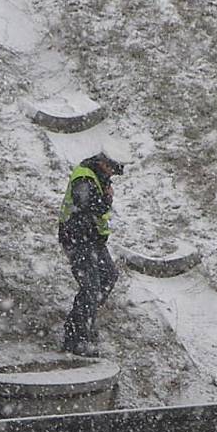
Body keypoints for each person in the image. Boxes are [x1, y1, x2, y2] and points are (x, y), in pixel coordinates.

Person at [58, 151, 125, 357]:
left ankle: (83, 322)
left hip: (92, 239)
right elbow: (89, 205)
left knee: (108, 276)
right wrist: (107, 198)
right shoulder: (84, 175)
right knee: (91, 286)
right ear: (104, 163)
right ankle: (76, 337)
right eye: (112, 169)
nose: (113, 174)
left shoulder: (99, 176)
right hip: (77, 238)